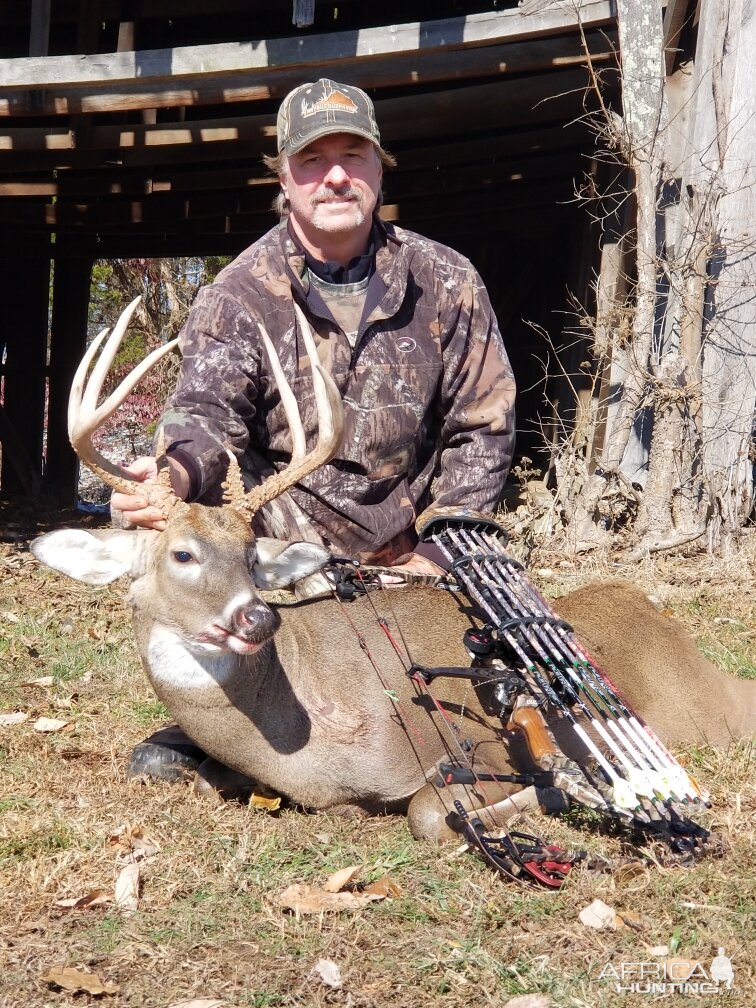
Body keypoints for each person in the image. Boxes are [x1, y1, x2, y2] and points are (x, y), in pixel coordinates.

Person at [113, 78, 517, 782]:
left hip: (418, 561)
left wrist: (442, 549)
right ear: (284, 176)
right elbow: (207, 418)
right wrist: (173, 477)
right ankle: (235, 737)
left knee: (502, 684)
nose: (335, 174)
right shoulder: (238, 295)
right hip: (287, 572)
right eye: (312, 158)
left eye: (353, 155)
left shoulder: (447, 280)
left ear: (379, 166)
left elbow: (483, 429)